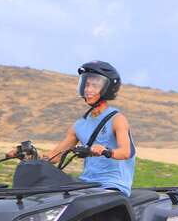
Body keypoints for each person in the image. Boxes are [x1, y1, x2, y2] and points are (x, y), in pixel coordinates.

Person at [10, 61, 136, 196]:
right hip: (86, 184)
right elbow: (54, 156)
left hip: (112, 186)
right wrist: (29, 155)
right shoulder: (79, 125)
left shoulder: (117, 119)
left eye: (95, 86)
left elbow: (125, 152)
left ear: (108, 88)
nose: (88, 90)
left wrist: (105, 150)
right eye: (86, 85)